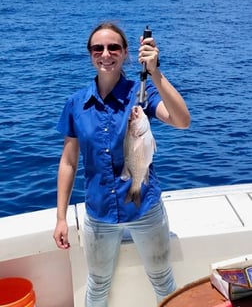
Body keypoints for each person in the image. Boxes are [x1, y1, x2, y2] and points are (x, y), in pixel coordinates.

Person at [53, 21, 190, 306]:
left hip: (145, 209)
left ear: (126, 53)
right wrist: (61, 218)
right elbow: (68, 162)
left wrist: (155, 73)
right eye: (98, 48)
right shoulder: (76, 103)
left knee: (163, 280)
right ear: (90, 54)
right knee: (98, 285)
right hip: (99, 213)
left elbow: (182, 120)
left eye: (114, 47)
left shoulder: (141, 95)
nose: (106, 54)